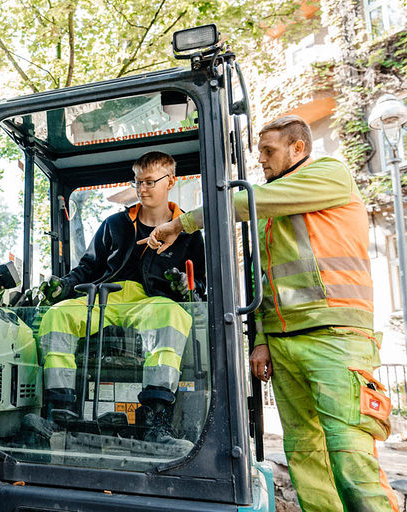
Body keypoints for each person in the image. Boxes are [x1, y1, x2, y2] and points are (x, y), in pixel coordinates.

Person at [145, 116, 398, 512]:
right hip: (283, 343)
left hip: (335, 338)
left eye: (269, 151)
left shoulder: (329, 174)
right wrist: (261, 339)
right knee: (305, 459)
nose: (261, 160)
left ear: (298, 148)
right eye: (259, 151)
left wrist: (181, 223)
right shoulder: (270, 206)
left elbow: (242, 202)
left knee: (351, 458)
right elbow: (260, 278)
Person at [38, 151, 205, 447]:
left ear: (171, 182)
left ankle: (156, 418)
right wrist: (61, 287)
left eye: (150, 181)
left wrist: (185, 287)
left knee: (172, 316)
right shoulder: (114, 224)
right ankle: (57, 410)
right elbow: (88, 268)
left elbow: (201, 284)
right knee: (57, 316)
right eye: (138, 182)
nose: (142, 189)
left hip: (153, 302)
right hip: (107, 296)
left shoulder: (189, 233)